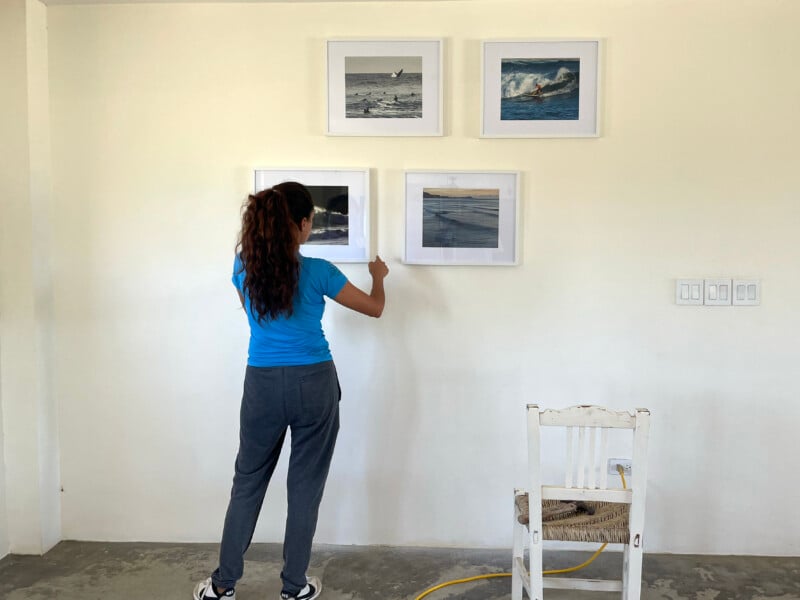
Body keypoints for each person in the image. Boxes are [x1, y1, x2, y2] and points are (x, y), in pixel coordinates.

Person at [193, 181, 389, 600]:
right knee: (304, 487)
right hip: (313, 382)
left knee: (247, 482)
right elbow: (375, 309)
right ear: (300, 224)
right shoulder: (319, 271)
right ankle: (293, 587)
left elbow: (255, 312)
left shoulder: (242, 268)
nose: (310, 229)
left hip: (261, 382)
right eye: (310, 222)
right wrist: (378, 277)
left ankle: (223, 585)